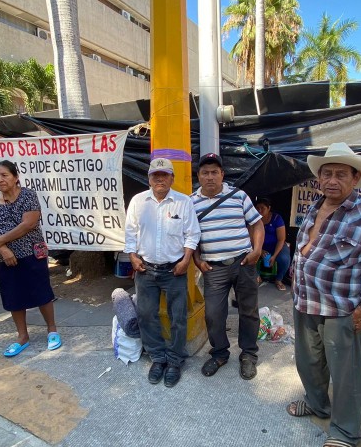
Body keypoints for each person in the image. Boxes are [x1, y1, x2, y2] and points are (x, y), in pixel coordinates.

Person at [287, 142, 361, 447]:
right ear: (318, 179)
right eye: (326, 174)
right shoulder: (315, 205)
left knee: (346, 373)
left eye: (340, 174)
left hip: (342, 308)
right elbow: (304, 248)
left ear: (355, 178)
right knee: (308, 361)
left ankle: (346, 429)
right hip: (305, 300)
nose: (331, 180)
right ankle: (317, 403)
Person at [124, 157, 200, 387]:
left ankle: (175, 360)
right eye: (155, 175)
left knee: (178, 317)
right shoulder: (138, 201)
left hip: (174, 270)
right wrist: (132, 257)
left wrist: (186, 260)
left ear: (172, 178)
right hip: (145, 270)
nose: (160, 179)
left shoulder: (183, 202)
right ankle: (158, 358)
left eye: (164, 175)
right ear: (149, 179)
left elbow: (192, 234)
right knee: (147, 315)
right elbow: (130, 233)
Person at [191, 153, 263, 380]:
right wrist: (197, 260)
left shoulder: (238, 196)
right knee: (213, 314)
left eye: (215, 172)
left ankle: (249, 355)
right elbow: (190, 236)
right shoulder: (191, 202)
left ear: (222, 174)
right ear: (199, 176)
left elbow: (257, 223)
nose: (210, 177)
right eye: (205, 172)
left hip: (243, 262)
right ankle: (220, 353)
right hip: (214, 268)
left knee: (249, 311)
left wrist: (257, 250)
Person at [0, 160, 58, 357]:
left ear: (16, 177)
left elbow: (28, 224)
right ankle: (22, 336)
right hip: (4, 259)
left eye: (4, 175)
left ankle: (52, 330)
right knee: (13, 295)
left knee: (42, 291)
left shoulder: (28, 195)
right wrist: (4, 250)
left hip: (32, 253)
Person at [254, 197, 291, 291]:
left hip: (277, 245)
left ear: (269, 208)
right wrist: (260, 250)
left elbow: (281, 239)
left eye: (263, 208)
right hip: (259, 246)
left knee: (284, 259)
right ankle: (257, 276)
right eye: (257, 208)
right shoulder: (253, 219)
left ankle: (279, 279)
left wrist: (274, 256)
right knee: (249, 254)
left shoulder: (276, 218)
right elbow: (250, 238)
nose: (259, 210)